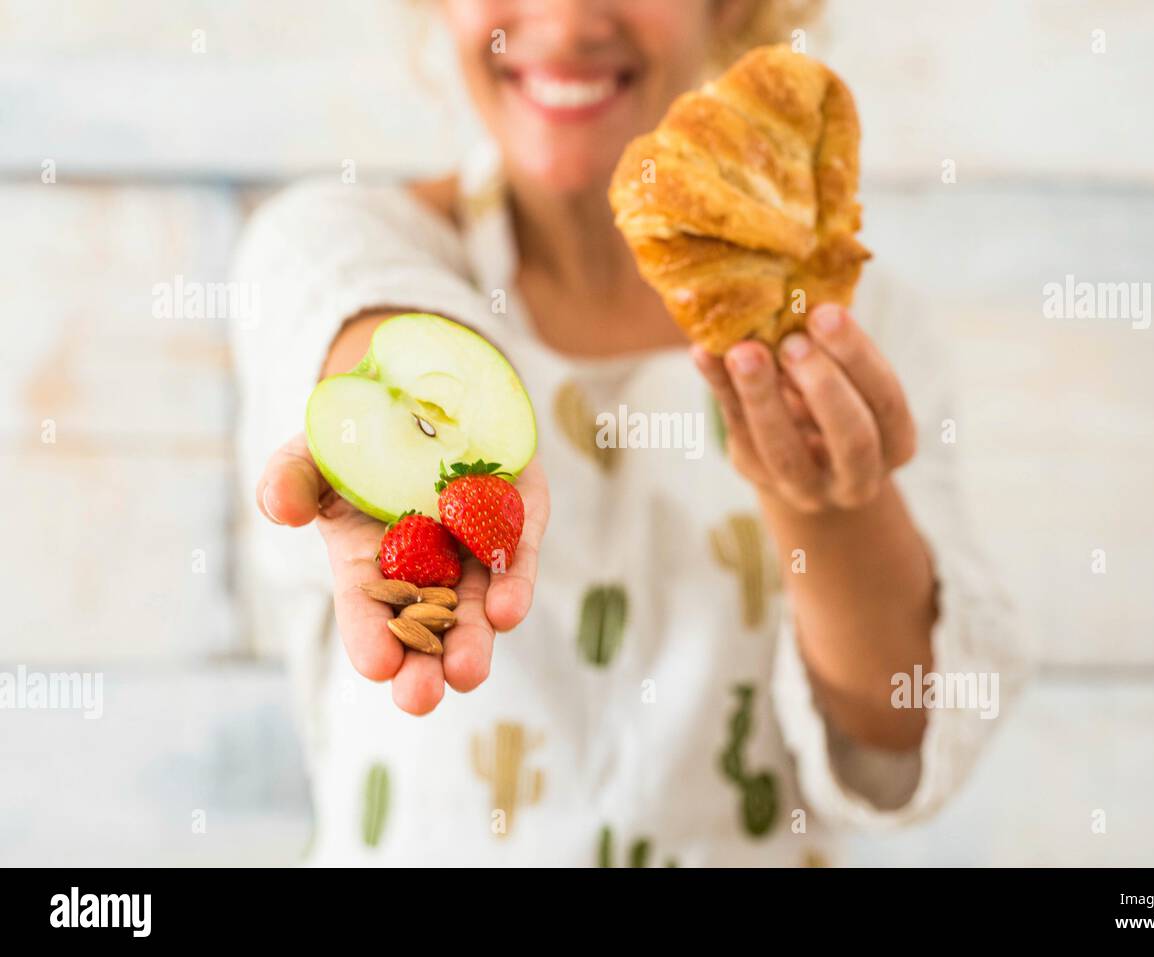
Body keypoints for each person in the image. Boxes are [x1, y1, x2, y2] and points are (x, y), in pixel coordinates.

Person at [231, 0, 1024, 866]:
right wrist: (400, 391)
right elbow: (348, 293)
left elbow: (899, 727)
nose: (566, 23)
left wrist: (831, 506)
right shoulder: (345, 241)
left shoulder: (861, 331)